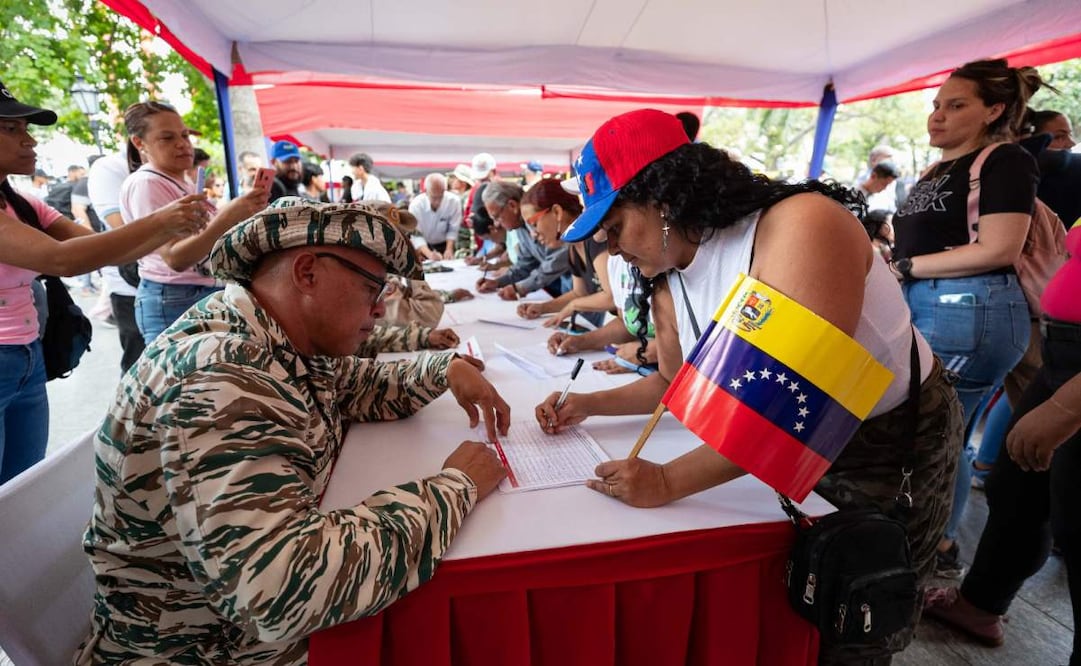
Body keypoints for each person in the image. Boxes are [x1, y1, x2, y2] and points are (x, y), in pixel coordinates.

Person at [535, 108, 962, 664]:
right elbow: (673, 380)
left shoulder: (799, 224)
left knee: (855, 609)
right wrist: (588, 405)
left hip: (882, 445)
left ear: (664, 197)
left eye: (614, 228)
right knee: (792, 607)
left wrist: (665, 481)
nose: (611, 251)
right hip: (774, 451)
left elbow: (789, 402)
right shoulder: (671, 274)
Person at [74, 198, 509, 665]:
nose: (380, 310)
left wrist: (443, 368)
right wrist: (453, 489)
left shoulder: (267, 337)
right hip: (206, 650)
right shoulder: (223, 374)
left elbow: (352, 386)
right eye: (372, 288)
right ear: (307, 273)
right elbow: (283, 590)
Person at [0, 81, 205, 483]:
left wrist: (164, 227)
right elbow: (62, 259)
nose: (29, 141)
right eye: (11, 129)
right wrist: (162, 222)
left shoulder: (22, 203)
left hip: (27, 357)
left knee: (19, 486)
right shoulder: (147, 183)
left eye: (27, 128)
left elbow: (100, 249)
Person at [891, 58, 1047, 577]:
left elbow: (999, 248)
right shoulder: (940, 169)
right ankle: (928, 538)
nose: (937, 116)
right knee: (930, 429)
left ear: (994, 110)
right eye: (936, 105)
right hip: (931, 304)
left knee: (943, 432)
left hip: (969, 308)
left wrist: (907, 265)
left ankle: (938, 545)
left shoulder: (1005, 161)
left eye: (956, 105)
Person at [922, 219, 1081, 666]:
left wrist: (1070, 405)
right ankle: (981, 603)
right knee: (1017, 489)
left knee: (1076, 521)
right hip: (1060, 351)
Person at [121, 101, 270, 344]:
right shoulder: (147, 184)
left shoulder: (178, 181)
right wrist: (226, 217)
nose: (182, 144)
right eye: (167, 138)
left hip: (195, 292)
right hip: (173, 297)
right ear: (140, 143)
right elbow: (175, 258)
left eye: (184, 135)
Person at [514, 178, 610, 329]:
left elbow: (612, 297)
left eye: (533, 224)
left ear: (557, 212)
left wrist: (574, 305)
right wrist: (542, 308)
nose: (533, 234)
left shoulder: (594, 240)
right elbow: (579, 293)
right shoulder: (574, 248)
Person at [474, 180, 571, 300]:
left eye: (497, 216)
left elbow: (557, 260)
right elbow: (525, 264)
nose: (496, 224)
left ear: (512, 206)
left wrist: (520, 288)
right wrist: (498, 282)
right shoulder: (519, 227)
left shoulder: (547, 222)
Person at [409, 172, 462, 256]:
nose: (437, 201)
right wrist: (429, 254)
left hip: (445, 243)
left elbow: (453, 229)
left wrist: (449, 249)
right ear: (426, 192)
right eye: (434, 197)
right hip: (423, 245)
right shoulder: (416, 205)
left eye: (440, 196)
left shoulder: (454, 201)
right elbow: (416, 235)